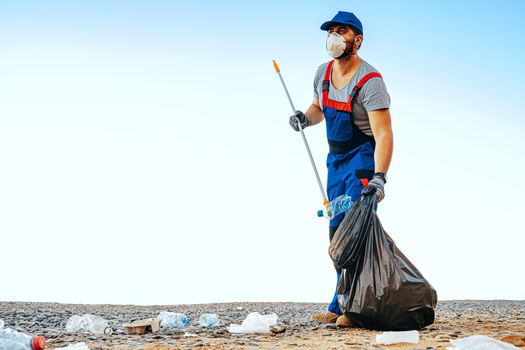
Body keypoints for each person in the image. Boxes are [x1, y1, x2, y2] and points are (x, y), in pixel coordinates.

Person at [289, 11, 394, 327]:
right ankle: (341, 303)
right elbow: (319, 108)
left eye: (342, 31)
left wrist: (379, 178)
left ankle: (354, 308)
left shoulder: (369, 81)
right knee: (336, 232)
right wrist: (304, 119)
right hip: (335, 164)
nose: (334, 36)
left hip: (361, 160)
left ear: (357, 40)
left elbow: (384, 133)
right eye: (331, 31)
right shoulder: (322, 74)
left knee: (355, 231)